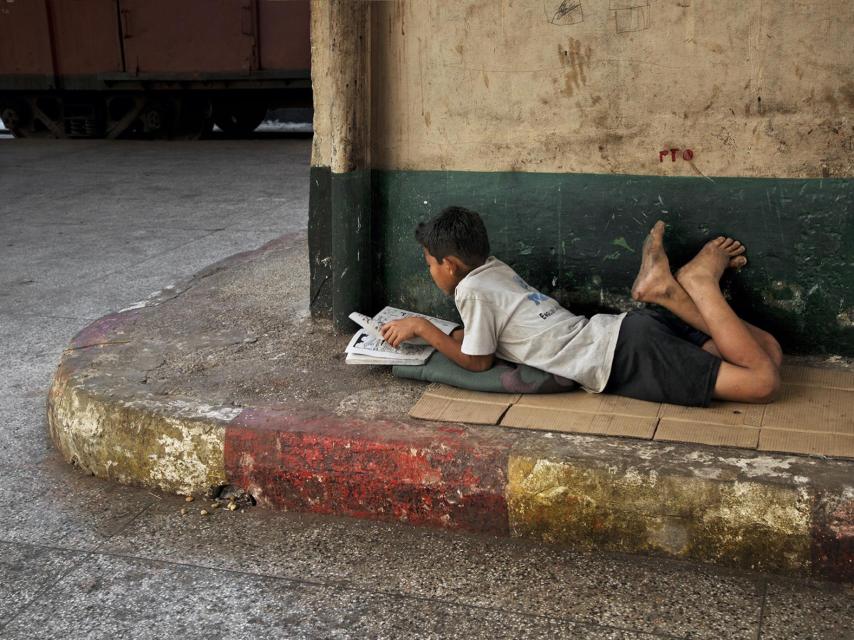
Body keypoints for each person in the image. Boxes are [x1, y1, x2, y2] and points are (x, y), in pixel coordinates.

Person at [380, 206, 782, 407]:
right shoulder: (493, 269)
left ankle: (698, 283)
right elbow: (487, 337)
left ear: (449, 265)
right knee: (769, 353)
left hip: (622, 357)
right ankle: (668, 295)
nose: (431, 272)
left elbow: (478, 362)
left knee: (762, 382)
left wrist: (422, 327)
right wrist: (450, 333)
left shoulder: (471, 291)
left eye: (429, 265)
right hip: (625, 330)